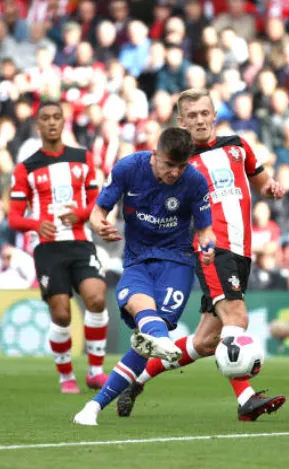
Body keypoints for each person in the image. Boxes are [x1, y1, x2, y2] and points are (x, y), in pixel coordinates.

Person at [116, 88, 287, 422]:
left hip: (242, 249)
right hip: (211, 249)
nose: (199, 120)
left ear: (214, 114)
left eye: (204, 113)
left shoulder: (237, 145)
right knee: (237, 317)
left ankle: (136, 379)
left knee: (206, 341)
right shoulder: (178, 162)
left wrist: (272, 188)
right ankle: (246, 401)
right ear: (181, 121)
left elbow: (261, 180)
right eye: (191, 115)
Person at [72, 127, 216, 426]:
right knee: (146, 321)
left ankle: (93, 408)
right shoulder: (128, 168)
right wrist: (99, 226)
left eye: (181, 166)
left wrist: (208, 245)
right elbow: (98, 212)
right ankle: (161, 342)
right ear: (155, 155)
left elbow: (205, 230)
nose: (175, 173)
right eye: (168, 165)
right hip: (136, 261)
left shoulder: (196, 181)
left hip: (176, 263)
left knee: (147, 335)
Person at [8, 101, 110, 394]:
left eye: (56, 117)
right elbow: (14, 216)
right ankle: (66, 375)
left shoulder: (83, 158)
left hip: (80, 241)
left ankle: (94, 371)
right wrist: (35, 224)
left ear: (64, 122)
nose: (52, 122)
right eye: (45, 118)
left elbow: (97, 202)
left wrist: (80, 215)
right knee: (62, 314)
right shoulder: (25, 169)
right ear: (38, 125)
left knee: (97, 298)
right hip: (47, 247)